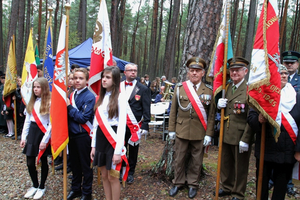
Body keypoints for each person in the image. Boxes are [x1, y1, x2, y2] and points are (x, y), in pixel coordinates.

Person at [247, 64, 300, 200]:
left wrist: (299, 149)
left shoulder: (297, 97)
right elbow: (251, 119)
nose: (284, 75)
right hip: (266, 148)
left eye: (285, 73)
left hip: (287, 150)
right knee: (262, 186)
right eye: (280, 73)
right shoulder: (263, 96)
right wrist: (258, 120)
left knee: (280, 187)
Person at [206, 57, 253, 200]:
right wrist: (217, 103)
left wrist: (246, 139)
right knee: (225, 163)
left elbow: (251, 118)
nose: (234, 73)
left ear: (245, 71)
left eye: (238, 70)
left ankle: (238, 193)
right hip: (225, 132)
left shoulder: (249, 90)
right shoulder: (226, 88)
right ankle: (227, 187)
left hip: (241, 135)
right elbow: (217, 110)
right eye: (232, 70)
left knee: (240, 166)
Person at [168, 57, 213, 199]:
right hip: (181, 130)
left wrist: (209, 134)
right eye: (192, 70)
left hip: (199, 131)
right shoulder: (180, 88)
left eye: (198, 71)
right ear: (188, 73)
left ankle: (193, 184)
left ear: (203, 73)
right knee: (179, 159)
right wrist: (171, 130)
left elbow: (211, 116)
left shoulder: (209, 91)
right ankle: (178, 182)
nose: (194, 73)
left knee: (196, 160)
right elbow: (173, 111)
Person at [90, 66, 128, 200]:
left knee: (113, 176)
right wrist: (93, 145)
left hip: (113, 138)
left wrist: (118, 151)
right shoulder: (100, 97)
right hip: (100, 138)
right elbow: (96, 125)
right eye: (103, 77)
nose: (104, 80)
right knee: (104, 176)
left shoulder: (121, 98)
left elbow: (122, 125)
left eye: (108, 77)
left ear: (115, 80)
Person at [20, 77, 51, 199]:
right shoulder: (31, 102)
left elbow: (51, 124)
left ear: (44, 88)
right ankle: (35, 184)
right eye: (34, 87)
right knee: (29, 162)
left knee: (43, 160)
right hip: (32, 133)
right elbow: (27, 121)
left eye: (38, 87)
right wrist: (23, 137)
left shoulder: (49, 102)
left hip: (42, 133)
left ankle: (42, 186)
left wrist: (45, 140)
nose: (36, 89)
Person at [66, 68, 95, 200]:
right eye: (75, 78)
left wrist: (69, 107)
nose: (77, 81)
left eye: (81, 78)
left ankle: (86, 192)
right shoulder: (71, 95)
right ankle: (75, 189)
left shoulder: (89, 97)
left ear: (87, 80)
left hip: (83, 136)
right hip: (71, 135)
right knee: (75, 165)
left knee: (86, 166)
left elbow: (83, 118)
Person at [121, 63, 151, 184]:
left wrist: (145, 124)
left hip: (135, 125)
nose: (133, 72)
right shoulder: (118, 87)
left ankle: (130, 172)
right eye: (130, 70)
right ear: (125, 72)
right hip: (120, 125)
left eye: (135, 70)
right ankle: (121, 170)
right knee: (121, 148)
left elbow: (146, 108)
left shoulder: (143, 89)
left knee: (133, 150)